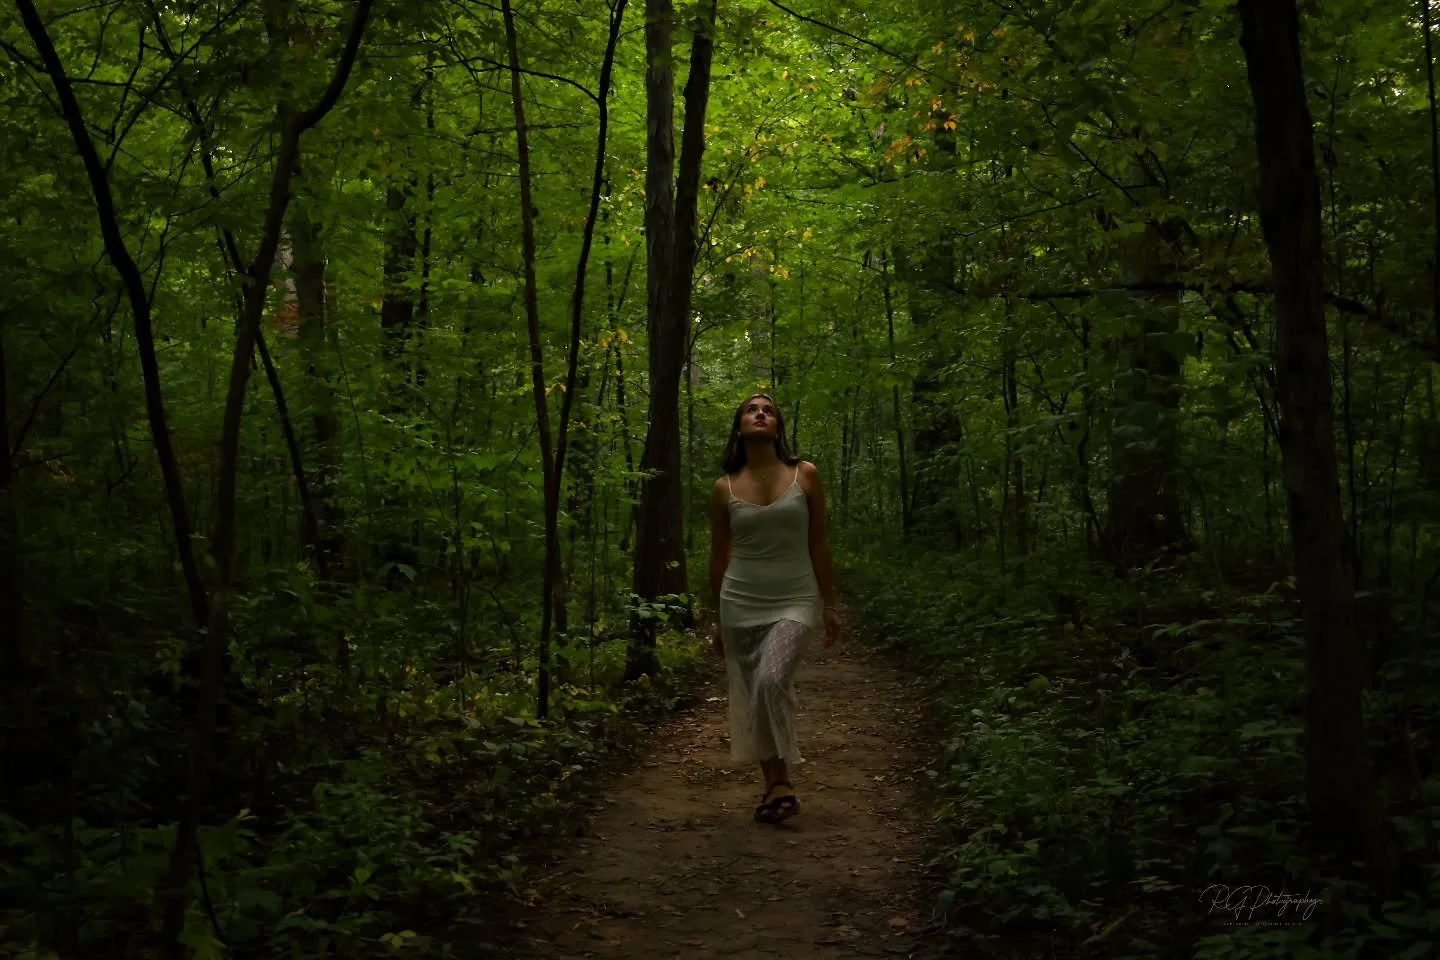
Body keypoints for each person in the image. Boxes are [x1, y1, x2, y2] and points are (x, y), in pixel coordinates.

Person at [708, 392, 843, 825]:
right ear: (740, 426)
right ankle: (776, 786)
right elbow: (719, 555)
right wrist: (717, 618)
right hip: (739, 600)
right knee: (753, 695)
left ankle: (780, 780)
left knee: (770, 678)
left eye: (768, 410)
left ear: (779, 426)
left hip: (795, 596)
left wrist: (831, 604)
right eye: (751, 409)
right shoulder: (723, 487)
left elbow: (818, 541)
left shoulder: (805, 475)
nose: (760, 413)